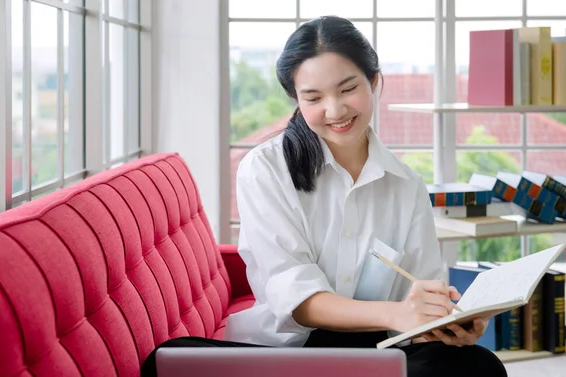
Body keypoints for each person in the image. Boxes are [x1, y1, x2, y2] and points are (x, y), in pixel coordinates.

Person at [142, 15, 507, 377]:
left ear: (375, 81)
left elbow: (417, 298)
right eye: (313, 97)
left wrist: (444, 323)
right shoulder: (266, 168)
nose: (335, 111)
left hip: (377, 351)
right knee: (167, 359)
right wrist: (397, 313)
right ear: (296, 99)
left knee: (480, 366)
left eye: (348, 89)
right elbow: (297, 302)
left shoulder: (406, 184)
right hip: (286, 355)